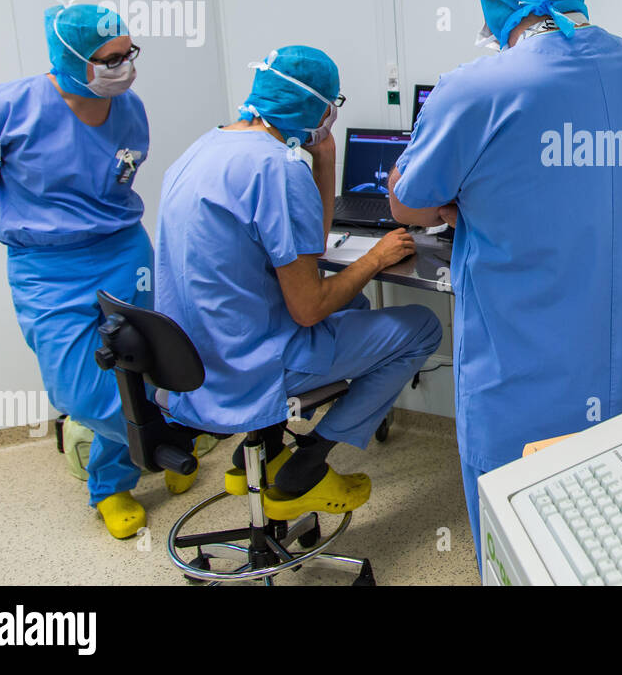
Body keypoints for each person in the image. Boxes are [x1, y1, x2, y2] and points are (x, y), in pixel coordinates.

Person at [389, 0, 622, 564]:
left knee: (519, 544)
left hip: (518, 377)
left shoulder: (476, 89)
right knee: (601, 537)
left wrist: (462, 199)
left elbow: (409, 203)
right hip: (618, 370)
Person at [155, 45, 441, 518]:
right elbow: (309, 309)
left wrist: (324, 158)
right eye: (334, 103)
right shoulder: (278, 168)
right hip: (251, 367)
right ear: (317, 104)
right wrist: (375, 257)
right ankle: (307, 465)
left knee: (357, 311)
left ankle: (262, 448)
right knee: (422, 326)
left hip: (197, 359)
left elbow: (314, 243)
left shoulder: (205, 147)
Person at [0, 0, 165, 539]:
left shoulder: (131, 106)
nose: (123, 67)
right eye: (108, 59)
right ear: (68, 57)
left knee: (141, 366)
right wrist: (45, 219)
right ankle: (161, 447)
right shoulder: (6, 109)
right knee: (80, 391)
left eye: (126, 54)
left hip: (123, 251)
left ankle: (112, 484)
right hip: (47, 267)